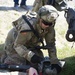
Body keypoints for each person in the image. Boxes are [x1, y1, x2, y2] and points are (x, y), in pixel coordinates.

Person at [2, 5, 62, 75]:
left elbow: (51, 45)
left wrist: (54, 62)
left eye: (50, 24)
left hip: (30, 46)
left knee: (39, 66)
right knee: (20, 66)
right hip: (14, 46)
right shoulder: (27, 27)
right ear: (39, 19)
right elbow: (17, 45)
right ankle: (5, 57)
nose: (47, 26)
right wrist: (31, 56)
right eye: (45, 23)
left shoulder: (50, 27)